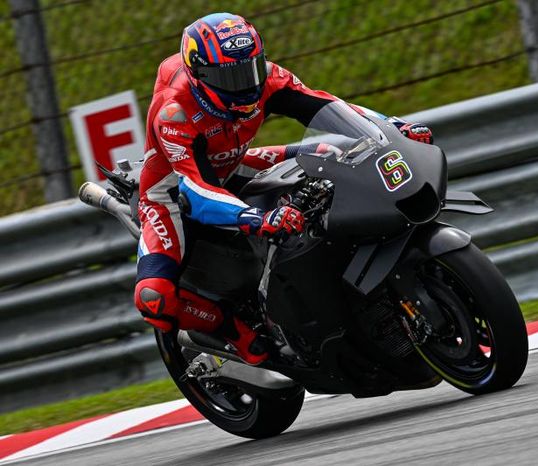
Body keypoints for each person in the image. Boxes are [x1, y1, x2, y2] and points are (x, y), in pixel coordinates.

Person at [134, 12, 433, 365]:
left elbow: (327, 106)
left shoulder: (268, 78)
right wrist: (256, 217)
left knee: (329, 151)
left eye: (249, 69)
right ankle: (236, 332)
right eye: (228, 76)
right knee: (155, 298)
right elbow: (196, 190)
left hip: (237, 162)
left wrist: (391, 128)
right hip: (172, 191)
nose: (244, 84)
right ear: (198, 76)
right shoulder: (174, 114)